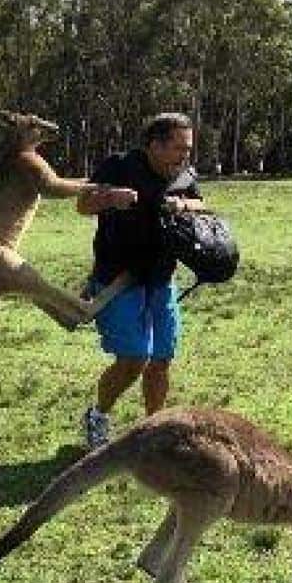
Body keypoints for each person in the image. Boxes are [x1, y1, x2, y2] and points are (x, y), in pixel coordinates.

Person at [76, 113, 204, 448]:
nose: (185, 156)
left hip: (161, 279)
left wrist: (183, 204)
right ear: (154, 144)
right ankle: (98, 416)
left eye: (188, 149)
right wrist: (110, 198)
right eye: (179, 148)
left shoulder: (183, 175)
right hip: (119, 280)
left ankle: (154, 431)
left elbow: (202, 203)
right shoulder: (119, 166)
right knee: (134, 359)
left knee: (161, 361)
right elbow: (82, 205)